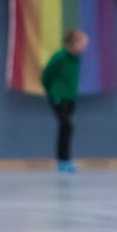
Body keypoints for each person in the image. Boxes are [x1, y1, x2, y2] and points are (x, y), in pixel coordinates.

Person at [40, 29, 89, 173]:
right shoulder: (60, 57)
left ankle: (66, 160)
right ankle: (63, 161)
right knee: (66, 125)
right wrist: (51, 92)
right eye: (82, 43)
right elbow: (46, 75)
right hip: (58, 96)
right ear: (73, 43)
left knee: (67, 128)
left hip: (70, 97)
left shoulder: (76, 58)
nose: (84, 47)